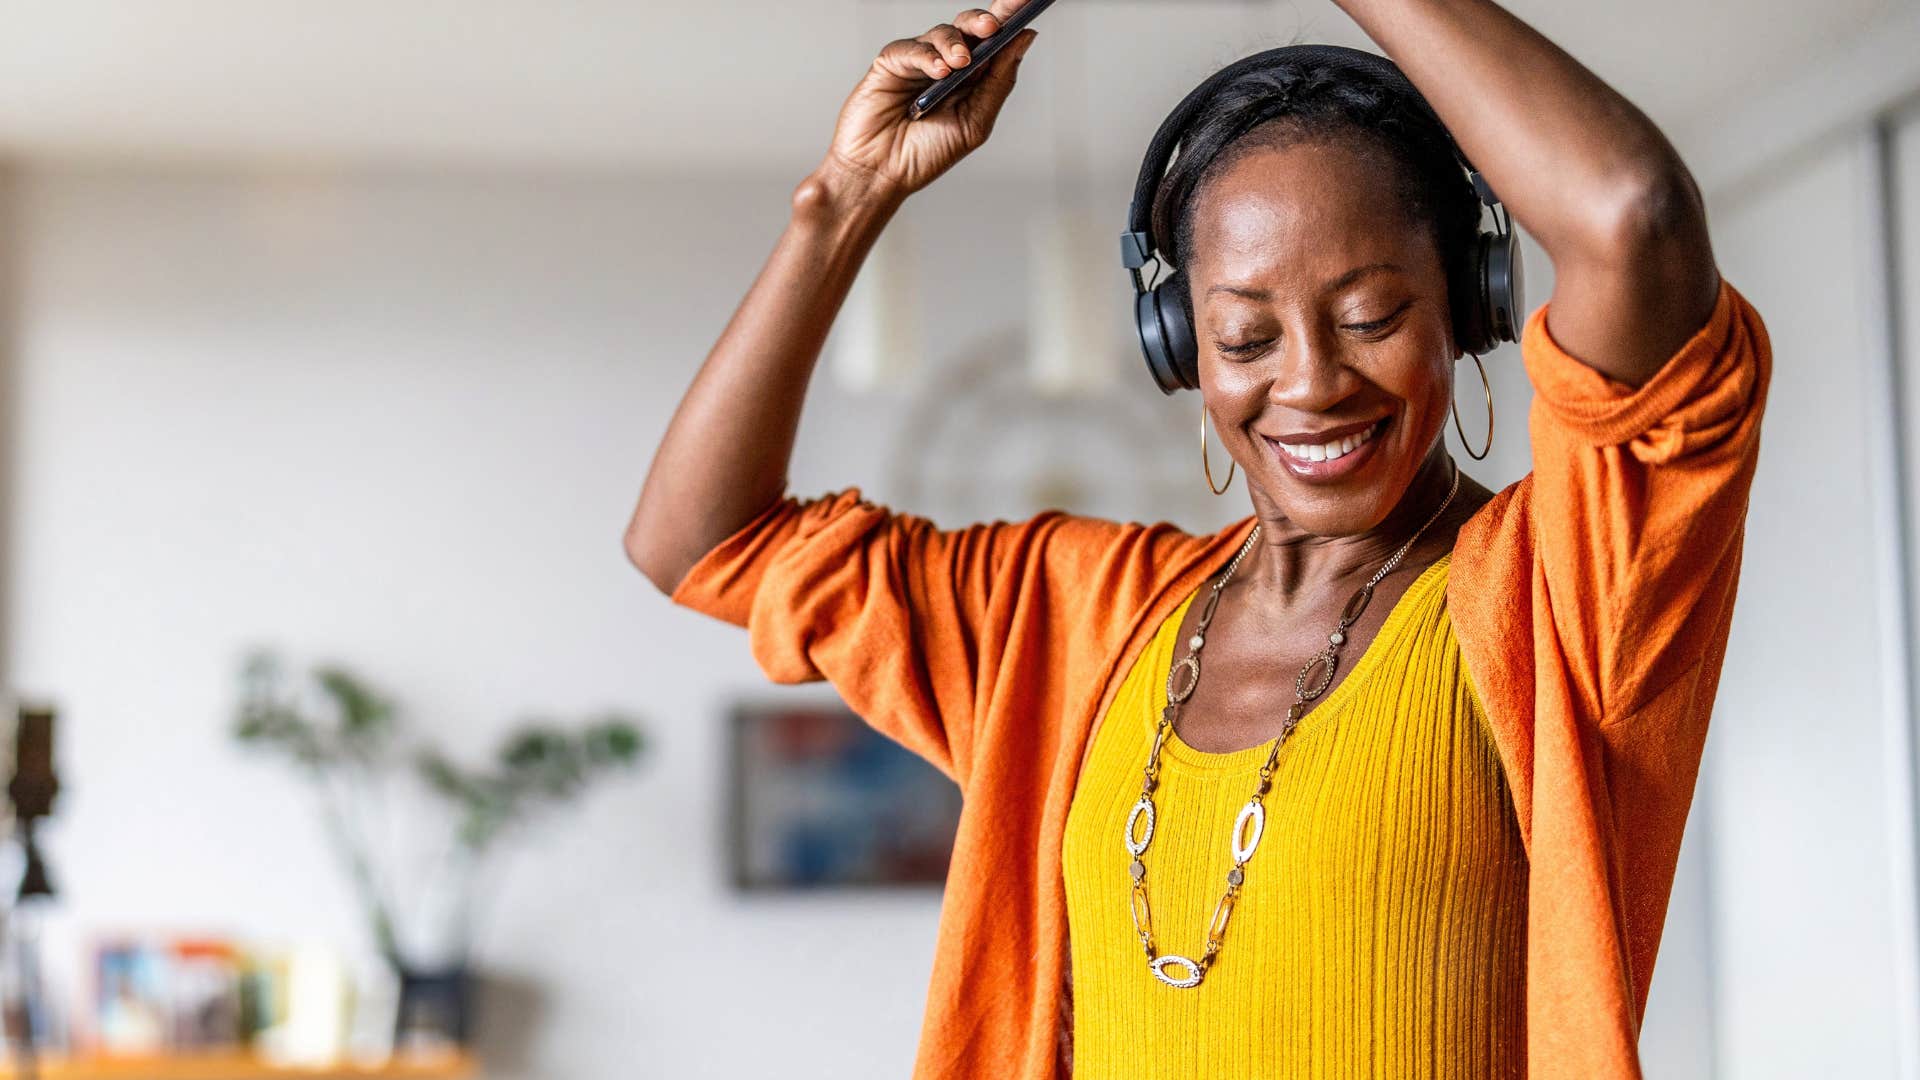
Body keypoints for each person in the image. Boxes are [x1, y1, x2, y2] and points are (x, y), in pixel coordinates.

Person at [626, 1, 1770, 1076]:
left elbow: (1636, 217)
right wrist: (844, 197)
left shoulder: (1566, 588)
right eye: (1244, 335)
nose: (1312, 382)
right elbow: (699, 540)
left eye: (1372, 318)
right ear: (1180, 348)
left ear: (1470, 309)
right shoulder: (1071, 618)